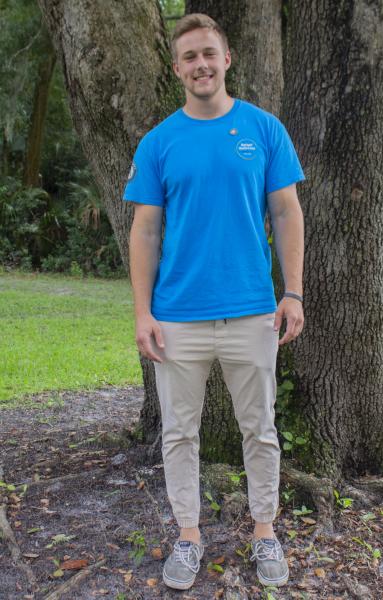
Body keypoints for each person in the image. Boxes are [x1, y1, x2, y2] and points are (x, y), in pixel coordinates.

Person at [123, 13, 305, 591]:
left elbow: (287, 211)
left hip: (253, 310)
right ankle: (188, 535)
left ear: (226, 59)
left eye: (209, 53)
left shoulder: (264, 129)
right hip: (177, 317)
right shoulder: (159, 142)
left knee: (261, 429)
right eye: (189, 57)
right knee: (179, 433)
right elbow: (145, 230)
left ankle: (264, 531)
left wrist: (293, 291)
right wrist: (142, 312)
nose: (200, 64)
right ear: (177, 68)